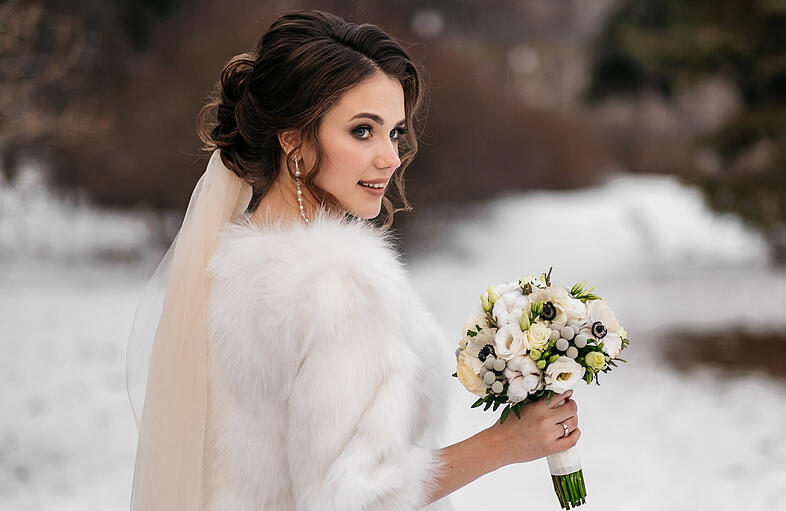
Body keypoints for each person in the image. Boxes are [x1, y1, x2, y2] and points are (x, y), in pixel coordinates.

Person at [125, 10, 580, 511]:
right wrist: (506, 444)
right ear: (294, 139)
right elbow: (357, 499)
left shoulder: (231, 262)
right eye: (362, 131)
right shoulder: (336, 284)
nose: (390, 157)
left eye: (394, 132)